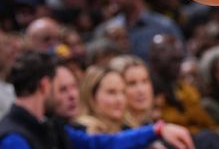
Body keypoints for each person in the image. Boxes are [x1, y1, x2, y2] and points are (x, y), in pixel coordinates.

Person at [0, 51, 194, 149]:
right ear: (44, 86)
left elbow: (100, 144)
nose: (68, 95)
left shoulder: (47, 125)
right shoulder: (14, 138)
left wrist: (156, 129)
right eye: (58, 87)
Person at [75, 66, 127, 134]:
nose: (120, 99)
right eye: (111, 92)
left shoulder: (124, 129)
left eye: (123, 92)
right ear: (92, 97)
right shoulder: (82, 131)